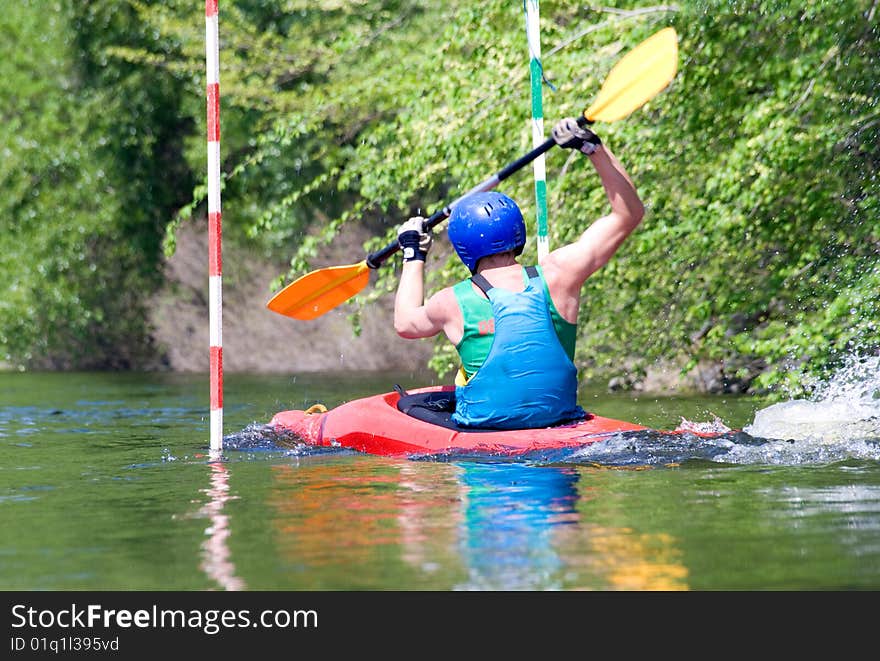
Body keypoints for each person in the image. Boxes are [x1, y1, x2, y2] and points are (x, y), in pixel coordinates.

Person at [393, 117, 644, 430]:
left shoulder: (451, 301)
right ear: (517, 231)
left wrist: (413, 254)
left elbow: (405, 323)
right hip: (558, 421)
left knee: (407, 403)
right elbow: (629, 214)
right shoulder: (560, 274)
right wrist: (593, 148)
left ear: (462, 246)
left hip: (488, 435)